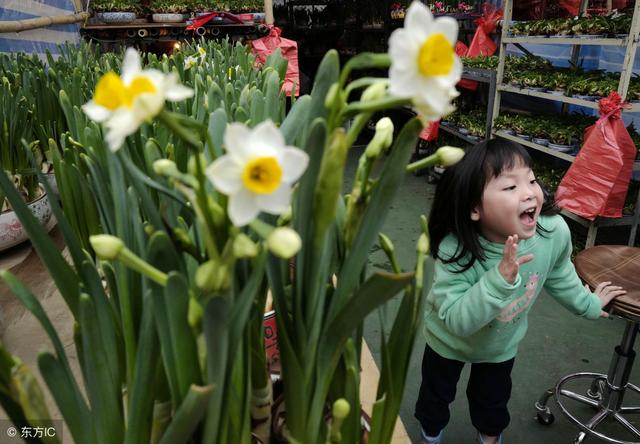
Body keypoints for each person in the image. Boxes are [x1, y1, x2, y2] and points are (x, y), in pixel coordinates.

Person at [415, 139, 626, 444]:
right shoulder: (456, 249)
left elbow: (560, 274)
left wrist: (590, 304)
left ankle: (489, 439)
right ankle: (430, 435)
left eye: (531, 179)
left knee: (492, 405)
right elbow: (457, 321)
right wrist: (498, 280)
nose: (529, 192)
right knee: (435, 397)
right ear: (475, 208)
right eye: (510, 187)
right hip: (447, 341)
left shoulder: (551, 232)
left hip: (500, 346)